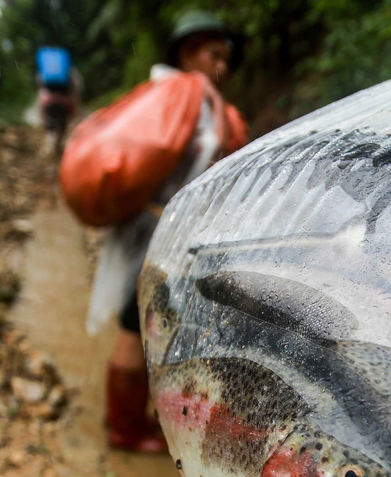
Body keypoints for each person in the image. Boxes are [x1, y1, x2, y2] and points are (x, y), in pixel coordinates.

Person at [98, 11, 247, 452]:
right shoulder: (187, 100)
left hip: (146, 225)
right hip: (160, 233)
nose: (221, 66)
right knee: (137, 326)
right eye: (213, 55)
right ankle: (125, 429)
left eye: (226, 59)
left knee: (141, 323)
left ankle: (122, 418)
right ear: (187, 51)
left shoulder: (161, 94)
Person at [35, 47, 81, 159]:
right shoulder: (70, 72)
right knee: (62, 127)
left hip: (48, 102)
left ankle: (51, 151)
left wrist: (40, 113)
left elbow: (40, 88)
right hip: (64, 102)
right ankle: (59, 152)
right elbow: (77, 88)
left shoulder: (45, 73)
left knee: (50, 128)